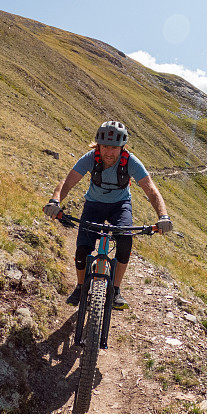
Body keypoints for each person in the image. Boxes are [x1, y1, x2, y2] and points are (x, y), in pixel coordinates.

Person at [43, 120, 172, 309]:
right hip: (94, 204)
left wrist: (163, 216)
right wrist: (55, 201)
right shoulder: (90, 157)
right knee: (82, 249)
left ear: (122, 147)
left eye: (114, 148)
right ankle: (80, 287)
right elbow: (68, 182)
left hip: (120, 206)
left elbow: (151, 189)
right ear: (98, 145)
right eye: (104, 146)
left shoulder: (130, 161)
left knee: (125, 239)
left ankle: (116, 290)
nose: (108, 152)